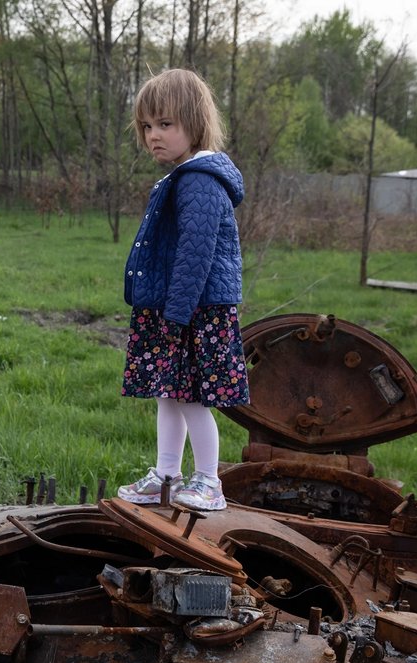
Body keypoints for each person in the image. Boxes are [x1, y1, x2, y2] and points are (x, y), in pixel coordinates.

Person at [117, 68, 249, 511]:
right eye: (147, 126)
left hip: (193, 309)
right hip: (174, 307)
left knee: (191, 398)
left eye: (165, 124)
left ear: (194, 122)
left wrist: (176, 314)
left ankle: (209, 481)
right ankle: (167, 475)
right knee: (168, 393)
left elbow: (196, 254)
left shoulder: (199, 181)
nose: (154, 135)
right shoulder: (183, 177)